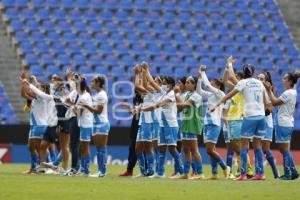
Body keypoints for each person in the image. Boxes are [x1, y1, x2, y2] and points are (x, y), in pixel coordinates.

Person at [212, 64, 267, 181]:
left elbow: (229, 90)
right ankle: (260, 173)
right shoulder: (259, 83)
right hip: (261, 116)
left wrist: (230, 64)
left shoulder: (243, 83)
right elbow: (265, 100)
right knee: (257, 146)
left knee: (243, 147)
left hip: (247, 117)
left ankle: (243, 174)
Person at [141, 64, 183, 178]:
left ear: (170, 85)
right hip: (163, 125)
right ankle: (160, 173)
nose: (162, 85)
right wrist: (146, 70)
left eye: (164, 83)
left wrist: (142, 108)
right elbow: (150, 81)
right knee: (162, 149)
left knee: (172, 149)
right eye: (162, 83)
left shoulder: (171, 95)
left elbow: (158, 105)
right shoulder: (163, 92)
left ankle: (182, 171)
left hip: (171, 125)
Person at [222, 57, 254, 178]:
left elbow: (231, 77)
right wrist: (226, 68)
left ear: (240, 79)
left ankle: (248, 170)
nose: (233, 77)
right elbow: (225, 81)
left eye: (236, 76)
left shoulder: (243, 87)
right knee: (237, 148)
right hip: (232, 120)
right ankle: (243, 170)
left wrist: (229, 64)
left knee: (238, 148)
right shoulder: (237, 88)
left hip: (237, 119)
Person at [265, 71, 300, 180]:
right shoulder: (293, 92)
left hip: (283, 122)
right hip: (288, 122)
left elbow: (274, 102)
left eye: (285, 79)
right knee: (285, 149)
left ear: (289, 81)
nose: (283, 80)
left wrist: (269, 90)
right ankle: (293, 172)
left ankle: (287, 174)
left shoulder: (288, 93)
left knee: (284, 150)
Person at [197, 66, 230, 179]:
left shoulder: (220, 94)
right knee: (211, 150)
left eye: (213, 82)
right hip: (207, 124)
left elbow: (207, 86)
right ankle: (214, 174)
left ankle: (225, 167)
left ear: (218, 85)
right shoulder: (211, 94)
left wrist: (203, 72)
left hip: (214, 124)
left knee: (209, 150)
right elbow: (199, 91)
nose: (210, 83)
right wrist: (199, 79)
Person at [174, 75, 204, 179]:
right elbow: (179, 108)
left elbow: (184, 105)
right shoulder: (186, 94)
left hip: (193, 124)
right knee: (186, 150)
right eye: (186, 82)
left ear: (194, 84)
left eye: (188, 82)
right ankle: (186, 173)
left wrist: (177, 94)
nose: (185, 84)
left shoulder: (196, 95)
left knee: (194, 149)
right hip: (185, 123)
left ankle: (200, 173)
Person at [80, 76, 110, 177]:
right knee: (99, 149)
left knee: (101, 149)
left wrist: (86, 106)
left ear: (98, 83)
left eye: (93, 81)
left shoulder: (102, 95)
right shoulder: (97, 94)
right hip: (97, 124)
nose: (91, 83)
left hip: (101, 124)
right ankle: (101, 171)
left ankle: (102, 172)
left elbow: (98, 111)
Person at [20, 71, 48, 174]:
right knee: (30, 147)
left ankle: (42, 167)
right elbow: (23, 94)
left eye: (39, 87)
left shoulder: (41, 96)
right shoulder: (35, 98)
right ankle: (34, 167)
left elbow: (29, 90)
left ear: (43, 89)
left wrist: (24, 80)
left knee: (38, 147)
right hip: (34, 125)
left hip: (40, 125)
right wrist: (24, 83)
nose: (37, 88)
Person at [257, 72, 279, 179]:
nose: (259, 80)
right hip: (257, 121)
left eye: (261, 79)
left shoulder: (268, 92)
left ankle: (276, 173)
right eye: (258, 78)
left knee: (265, 149)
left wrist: (260, 113)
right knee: (257, 147)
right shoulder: (255, 91)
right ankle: (259, 173)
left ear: (266, 81)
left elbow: (270, 109)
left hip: (266, 122)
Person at [119, 91, 143, 177]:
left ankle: (144, 170)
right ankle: (129, 170)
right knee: (132, 148)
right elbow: (135, 112)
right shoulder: (136, 97)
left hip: (143, 125)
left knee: (141, 148)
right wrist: (129, 109)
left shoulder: (147, 97)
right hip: (135, 125)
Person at [74, 78, 93, 176]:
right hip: (86, 124)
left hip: (85, 124)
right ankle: (84, 168)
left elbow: (78, 114)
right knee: (83, 147)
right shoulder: (86, 95)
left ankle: (85, 170)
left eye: (76, 85)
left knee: (84, 147)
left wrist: (73, 108)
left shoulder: (83, 97)